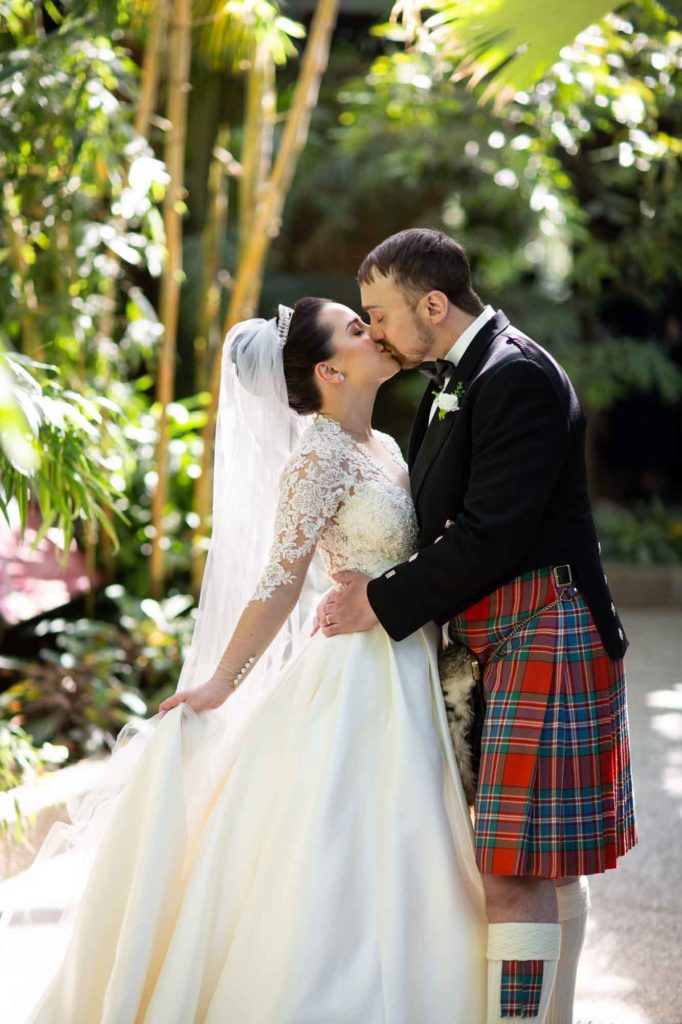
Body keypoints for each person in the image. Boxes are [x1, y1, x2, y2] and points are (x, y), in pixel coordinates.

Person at [0, 297, 487, 1022]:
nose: (375, 330)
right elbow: (279, 582)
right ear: (329, 369)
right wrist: (218, 686)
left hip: (408, 662)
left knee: (417, 855)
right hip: (356, 678)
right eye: (358, 327)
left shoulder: (384, 446)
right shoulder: (316, 459)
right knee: (346, 849)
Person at [315, 228, 639, 1024]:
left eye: (379, 313)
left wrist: (381, 599)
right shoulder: (456, 377)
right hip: (496, 636)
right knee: (536, 866)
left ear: (433, 303)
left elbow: (490, 531)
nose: (375, 329)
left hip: (544, 629)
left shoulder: (516, 374)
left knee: (516, 870)